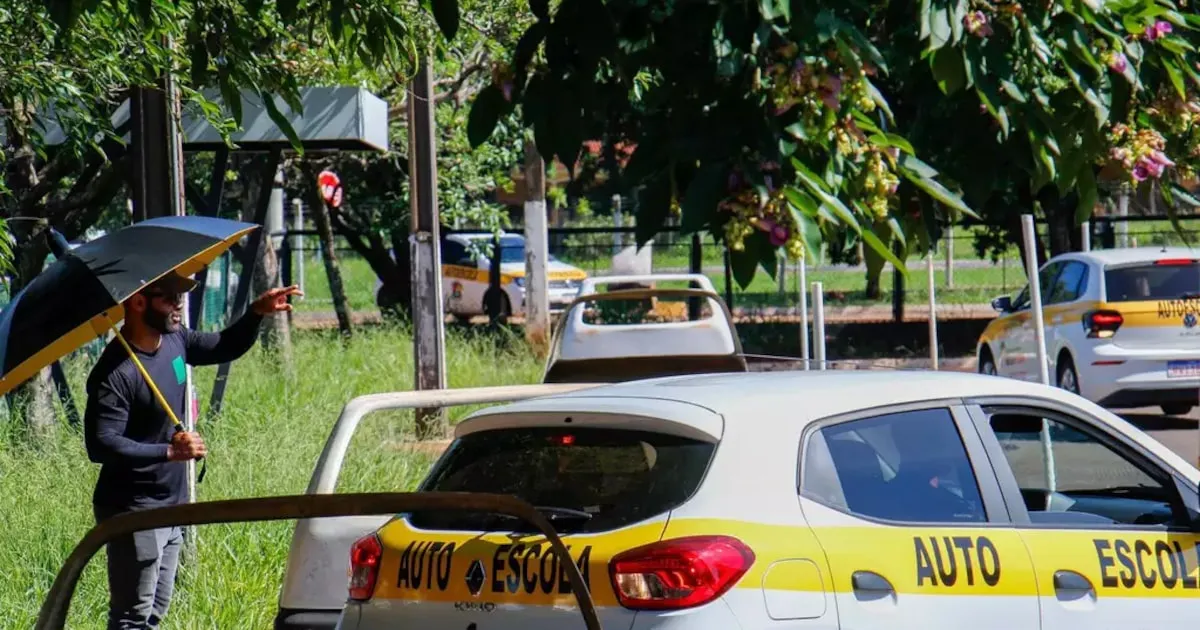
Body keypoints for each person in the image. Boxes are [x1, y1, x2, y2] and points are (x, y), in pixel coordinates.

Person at [83, 272, 302, 630]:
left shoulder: (174, 340)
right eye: (169, 297)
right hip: (133, 509)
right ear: (138, 303)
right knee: (132, 616)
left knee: (155, 610)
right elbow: (101, 443)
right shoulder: (115, 372)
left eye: (179, 296)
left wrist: (255, 314)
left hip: (172, 503)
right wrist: (167, 453)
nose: (179, 304)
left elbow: (222, 346)